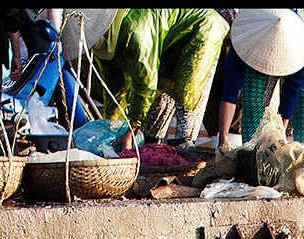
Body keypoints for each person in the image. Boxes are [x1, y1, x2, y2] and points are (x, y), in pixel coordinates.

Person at [88, 8, 230, 149]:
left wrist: (130, 131)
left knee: (187, 90)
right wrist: (109, 127)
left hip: (204, 28)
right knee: (152, 130)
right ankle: (153, 146)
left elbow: (146, 86)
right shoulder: (99, 44)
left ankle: (185, 148)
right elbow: (114, 88)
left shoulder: (136, 32)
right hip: (168, 42)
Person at [215, 8, 304, 146]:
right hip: (258, 38)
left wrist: (280, 135)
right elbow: (230, 91)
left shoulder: (301, 47)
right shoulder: (245, 40)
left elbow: (291, 93)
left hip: (291, 43)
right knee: (253, 101)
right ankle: (252, 152)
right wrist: (223, 138)